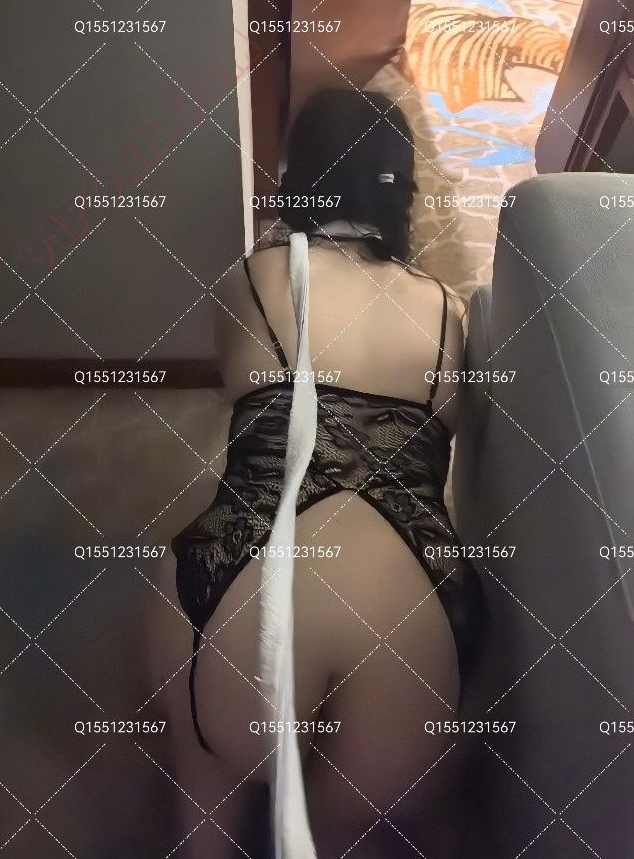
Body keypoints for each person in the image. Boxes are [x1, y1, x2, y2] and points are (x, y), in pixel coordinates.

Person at [152, 88, 484, 858]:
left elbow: (234, 387)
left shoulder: (253, 278)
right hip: (413, 615)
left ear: (298, 175)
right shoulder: (448, 311)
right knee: (343, 833)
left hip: (238, 588)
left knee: (206, 804)